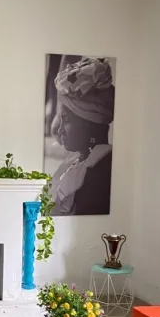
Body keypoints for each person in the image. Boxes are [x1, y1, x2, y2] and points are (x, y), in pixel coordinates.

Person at [48, 56, 115, 215]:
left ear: (89, 123)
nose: (60, 130)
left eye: (66, 120)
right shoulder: (78, 160)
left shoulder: (97, 176)